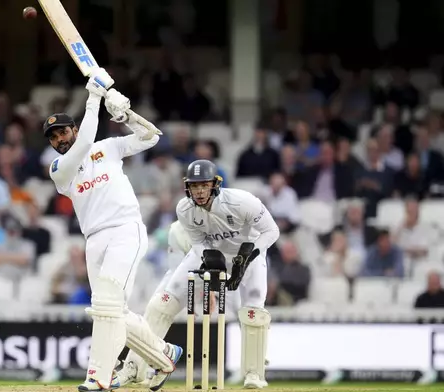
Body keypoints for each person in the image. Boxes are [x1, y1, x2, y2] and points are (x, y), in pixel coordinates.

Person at [45, 67, 181, 392]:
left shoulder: (108, 148)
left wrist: (126, 114)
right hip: (94, 239)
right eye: (53, 138)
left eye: (63, 132)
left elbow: (152, 137)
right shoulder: (58, 169)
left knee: (106, 304)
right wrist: (94, 96)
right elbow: (83, 145)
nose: (59, 140)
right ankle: (164, 354)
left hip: (125, 229)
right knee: (112, 310)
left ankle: (99, 376)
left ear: (73, 128)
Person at [119, 159, 280, 389]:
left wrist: (248, 254)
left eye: (204, 185)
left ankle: (254, 374)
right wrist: (211, 260)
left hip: (249, 253)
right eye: (195, 186)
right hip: (209, 251)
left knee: (254, 309)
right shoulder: (184, 209)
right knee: (162, 303)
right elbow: (198, 242)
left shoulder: (242, 201)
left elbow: (272, 231)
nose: (200, 191)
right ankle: (135, 368)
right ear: (187, 187)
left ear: (215, 184)